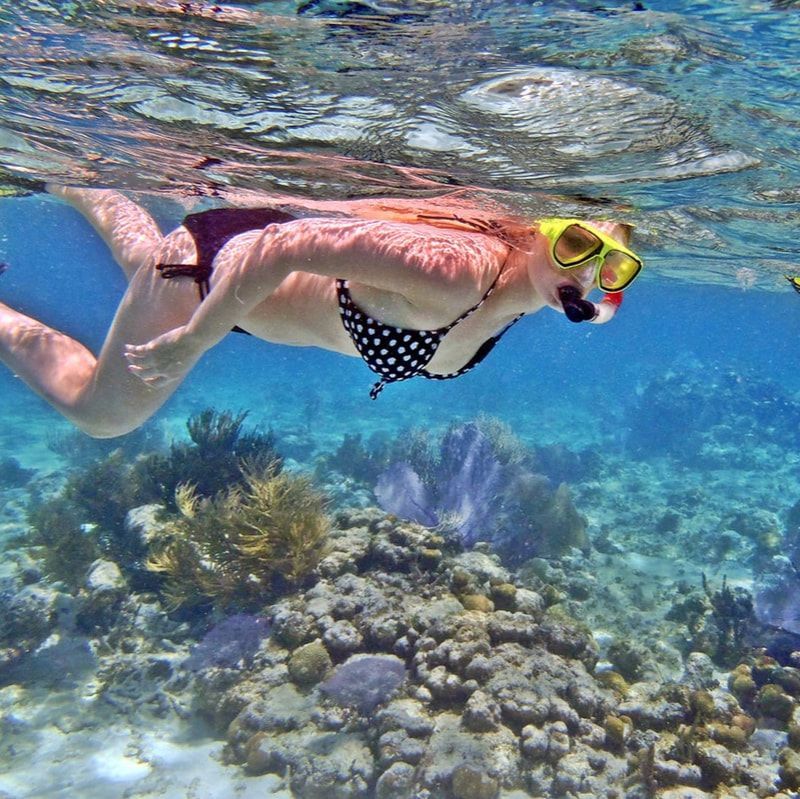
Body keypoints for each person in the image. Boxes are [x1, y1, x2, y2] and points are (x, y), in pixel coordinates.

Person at [0, 186, 643, 438]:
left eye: (610, 266)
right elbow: (285, 243)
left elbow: (604, 302)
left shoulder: (550, 291)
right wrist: (195, 339)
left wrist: (607, 294)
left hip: (223, 282)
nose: (585, 273)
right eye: (575, 245)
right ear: (534, 231)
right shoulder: (457, 271)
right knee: (103, 415)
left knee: (146, 260)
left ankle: (78, 181)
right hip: (209, 277)